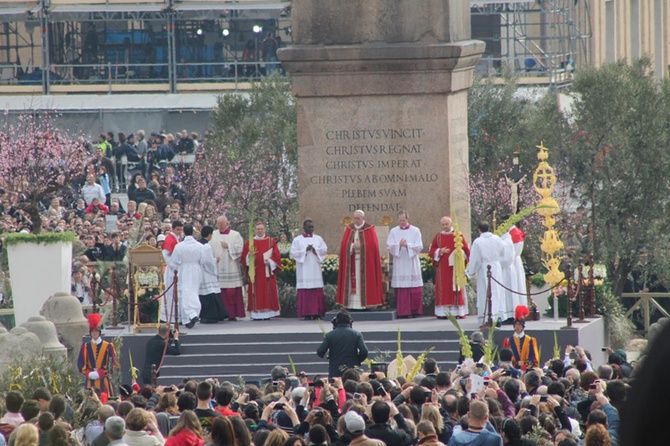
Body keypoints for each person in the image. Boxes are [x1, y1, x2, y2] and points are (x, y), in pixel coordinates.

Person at [336, 210, 384, 309]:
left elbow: (373, 246)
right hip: (352, 261)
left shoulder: (369, 229)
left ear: (363, 218)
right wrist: (352, 246)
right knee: (352, 281)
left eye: (358, 218)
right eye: (355, 218)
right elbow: (344, 246)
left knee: (364, 282)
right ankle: (351, 305)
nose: (356, 220)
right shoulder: (350, 229)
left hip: (365, 263)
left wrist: (362, 246)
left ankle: (366, 305)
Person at [465, 221, 507, 325]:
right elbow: (503, 251)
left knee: (485, 292)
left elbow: (475, 259)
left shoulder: (478, 242)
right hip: (496, 267)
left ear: (479, 229)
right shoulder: (497, 239)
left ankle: (489, 318)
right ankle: (497, 317)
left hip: (485, 268)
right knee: (497, 291)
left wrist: (470, 272)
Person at [430, 216, 470, 319]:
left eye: (446, 224)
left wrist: (460, 254)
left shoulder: (458, 235)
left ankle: (457, 312)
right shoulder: (438, 237)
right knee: (444, 289)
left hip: (455, 268)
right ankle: (443, 313)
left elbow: (466, 250)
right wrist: (440, 251)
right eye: (442, 224)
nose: (444, 226)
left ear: (451, 224)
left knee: (455, 288)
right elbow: (432, 250)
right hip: (442, 268)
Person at [241, 221, 282, 320]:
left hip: (267, 271)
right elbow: (243, 259)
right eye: (258, 229)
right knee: (256, 293)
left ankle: (269, 314)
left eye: (261, 229)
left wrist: (271, 262)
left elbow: (277, 256)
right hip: (255, 273)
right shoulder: (249, 242)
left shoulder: (271, 241)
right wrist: (249, 256)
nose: (260, 231)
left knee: (268, 292)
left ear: (265, 229)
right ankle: (256, 315)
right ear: (255, 230)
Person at [387, 210, 424, 318]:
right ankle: (403, 312)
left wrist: (407, 245)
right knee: (402, 287)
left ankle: (415, 311)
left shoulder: (415, 230)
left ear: (408, 219)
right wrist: (398, 245)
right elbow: (389, 246)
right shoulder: (394, 231)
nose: (402, 222)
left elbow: (419, 246)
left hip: (411, 261)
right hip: (400, 262)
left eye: (403, 220)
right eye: (400, 220)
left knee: (414, 287)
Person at [290, 219, 328, 320]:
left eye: (312, 227)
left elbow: (324, 250)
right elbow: (293, 253)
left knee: (316, 289)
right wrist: (305, 250)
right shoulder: (297, 240)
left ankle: (317, 312)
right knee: (305, 290)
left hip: (315, 268)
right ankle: (306, 313)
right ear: (304, 227)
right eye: (309, 227)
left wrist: (315, 250)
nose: (311, 228)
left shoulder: (318, 238)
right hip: (304, 269)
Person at [209, 215, 245, 321]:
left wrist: (229, 246)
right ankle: (220, 313)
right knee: (219, 291)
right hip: (218, 266)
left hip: (231, 266)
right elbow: (209, 249)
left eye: (222, 224)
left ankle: (232, 314)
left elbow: (240, 249)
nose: (220, 226)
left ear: (227, 223)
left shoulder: (235, 235)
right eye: (218, 224)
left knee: (231, 291)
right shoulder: (214, 234)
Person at [171, 224, 205, 329]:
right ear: (193, 232)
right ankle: (189, 317)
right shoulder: (200, 246)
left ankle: (191, 315)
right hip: (196, 270)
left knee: (185, 293)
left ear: (184, 232)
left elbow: (174, 261)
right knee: (193, 291)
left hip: (184, 269)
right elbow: (203, 260)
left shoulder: (179, 246)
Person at [316, 310, 368, 377]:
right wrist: (357, 360)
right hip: (351, 371)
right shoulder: (357, 334)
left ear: (336, 321)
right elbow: (364, 351)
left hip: (335, 371)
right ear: (350, 321)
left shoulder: (330, 335)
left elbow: (320, 352)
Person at [78, 313, 117, 396]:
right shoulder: (85, 346)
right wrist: (88, 373)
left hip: (104, 382)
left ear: (99, 332)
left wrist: (101, 373)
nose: (94, 333)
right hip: (90, 382)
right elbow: (80, 364)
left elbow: (111, 365)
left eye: (96, 331)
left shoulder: (108, 346)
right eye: (92, 331)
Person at [198, 226, 228, 323]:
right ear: (210, 235)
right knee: (211, 293)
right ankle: (211, 316)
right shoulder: (206, 246)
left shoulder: (198, 244)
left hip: (200, 272)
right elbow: (208, 262)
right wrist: (216, 260)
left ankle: (204, 315)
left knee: (204, 295)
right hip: (207, 273)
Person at [161, 221, 183, 324]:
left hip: (176, 268)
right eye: (178, 229)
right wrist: (174, 266)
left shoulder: (177, 238)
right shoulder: (169, 239)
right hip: (171, 270)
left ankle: (176, 316)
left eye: (181, 229)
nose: (179, 231)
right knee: (170, 294)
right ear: (173, 229)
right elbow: (165, 255)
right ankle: (169, 317)